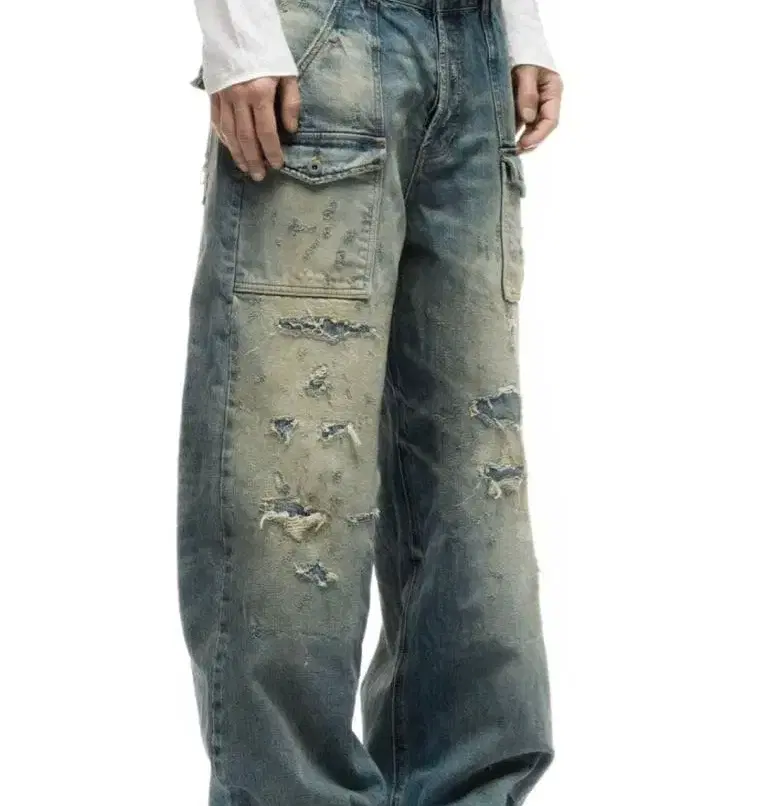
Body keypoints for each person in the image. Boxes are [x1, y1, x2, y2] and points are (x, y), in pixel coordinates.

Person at [178, 0, 563, 802]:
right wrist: (241, 36)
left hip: (478, 50)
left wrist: (519, 29)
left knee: (475, 478)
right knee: (293, 481)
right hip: (323, 48)